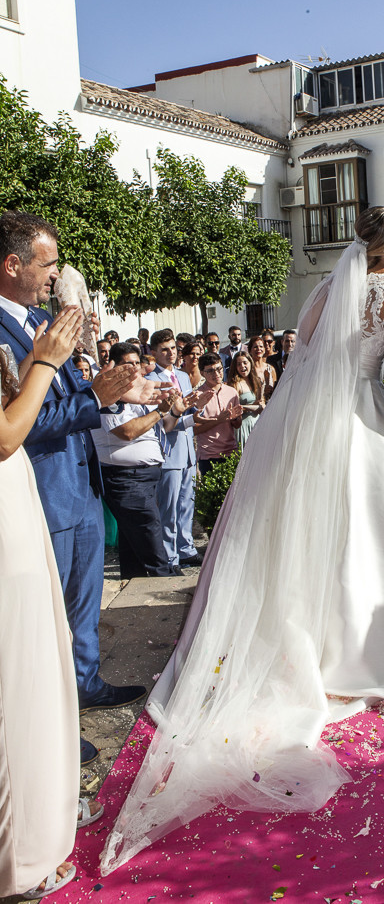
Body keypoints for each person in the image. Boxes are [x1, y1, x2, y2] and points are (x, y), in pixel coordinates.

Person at [100, 206, 384, 873]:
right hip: (359, 419)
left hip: (308, 427)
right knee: (365, 538)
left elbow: (302, 361)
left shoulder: (325, 286)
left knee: (303, 535)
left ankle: (303, 641)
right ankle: (358, 653)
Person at [0, 212, 145, 766]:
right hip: (43, 490)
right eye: (48, 263)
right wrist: (93, 400)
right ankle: (54, 724)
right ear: (12, 264)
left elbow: (59, 396)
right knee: (48, 620)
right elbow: (22, 421)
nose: (57, 276)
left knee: (84, 605)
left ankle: (86, 684)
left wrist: (105, 389)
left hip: (80, 485)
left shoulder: (40, 319)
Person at [0, 310, 92, 898]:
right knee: (17, 682)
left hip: (17, 501)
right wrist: (46, 363)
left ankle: (37, 820)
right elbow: (6, 436)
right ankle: (20, 857)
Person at [91, 343, 188, 578]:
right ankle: (165, 585)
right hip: (126, 478)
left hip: (146, 477)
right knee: (151, 540)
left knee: (134, 543)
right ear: (113, 366)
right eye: (128, 363)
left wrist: (173, 411)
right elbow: (127, 432)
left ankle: (135, 581)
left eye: (137, 363)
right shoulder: (109, 396)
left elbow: (164, 427)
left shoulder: (141, 394)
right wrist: (158, 411)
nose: (134, 368)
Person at [146, 330, 203, 571]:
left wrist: (197, 415)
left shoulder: (183, 375)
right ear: (154, 352)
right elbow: (163, 420)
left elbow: (187, 412)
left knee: (186, 503)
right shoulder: (152, 380)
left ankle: (186, 547)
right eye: (165, 349)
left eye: (173, 348)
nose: (171, 353)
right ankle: (170, 557)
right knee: (168, 508)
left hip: (187, 448)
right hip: (168, 450)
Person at [193, 353, 242, 475]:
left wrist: (234, 419)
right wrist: (218, 420)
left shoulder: (232, 392)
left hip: (231, 452)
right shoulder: (198, 396)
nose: (216, 374)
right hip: (209, 455)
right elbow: (195, 430)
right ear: (202, 373)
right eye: (210, 371)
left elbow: (237, 425)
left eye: (219, 369)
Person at [227, 350, 265, 446]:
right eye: (239, 364)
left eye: (245, 363)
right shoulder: (235, 384)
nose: (242, 366)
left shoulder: (256, 381)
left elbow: (261, 404)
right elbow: (233, 409)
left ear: (250, 363)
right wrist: (251, 407)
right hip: (243, 426)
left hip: (257, 423)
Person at [248, 334, 277, 399]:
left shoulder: (270, 368)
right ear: (250, 350)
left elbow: (276, 388)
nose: (258, 349)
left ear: (264, 349)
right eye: (255, 347)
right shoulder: (248, 370)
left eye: (261, 346)